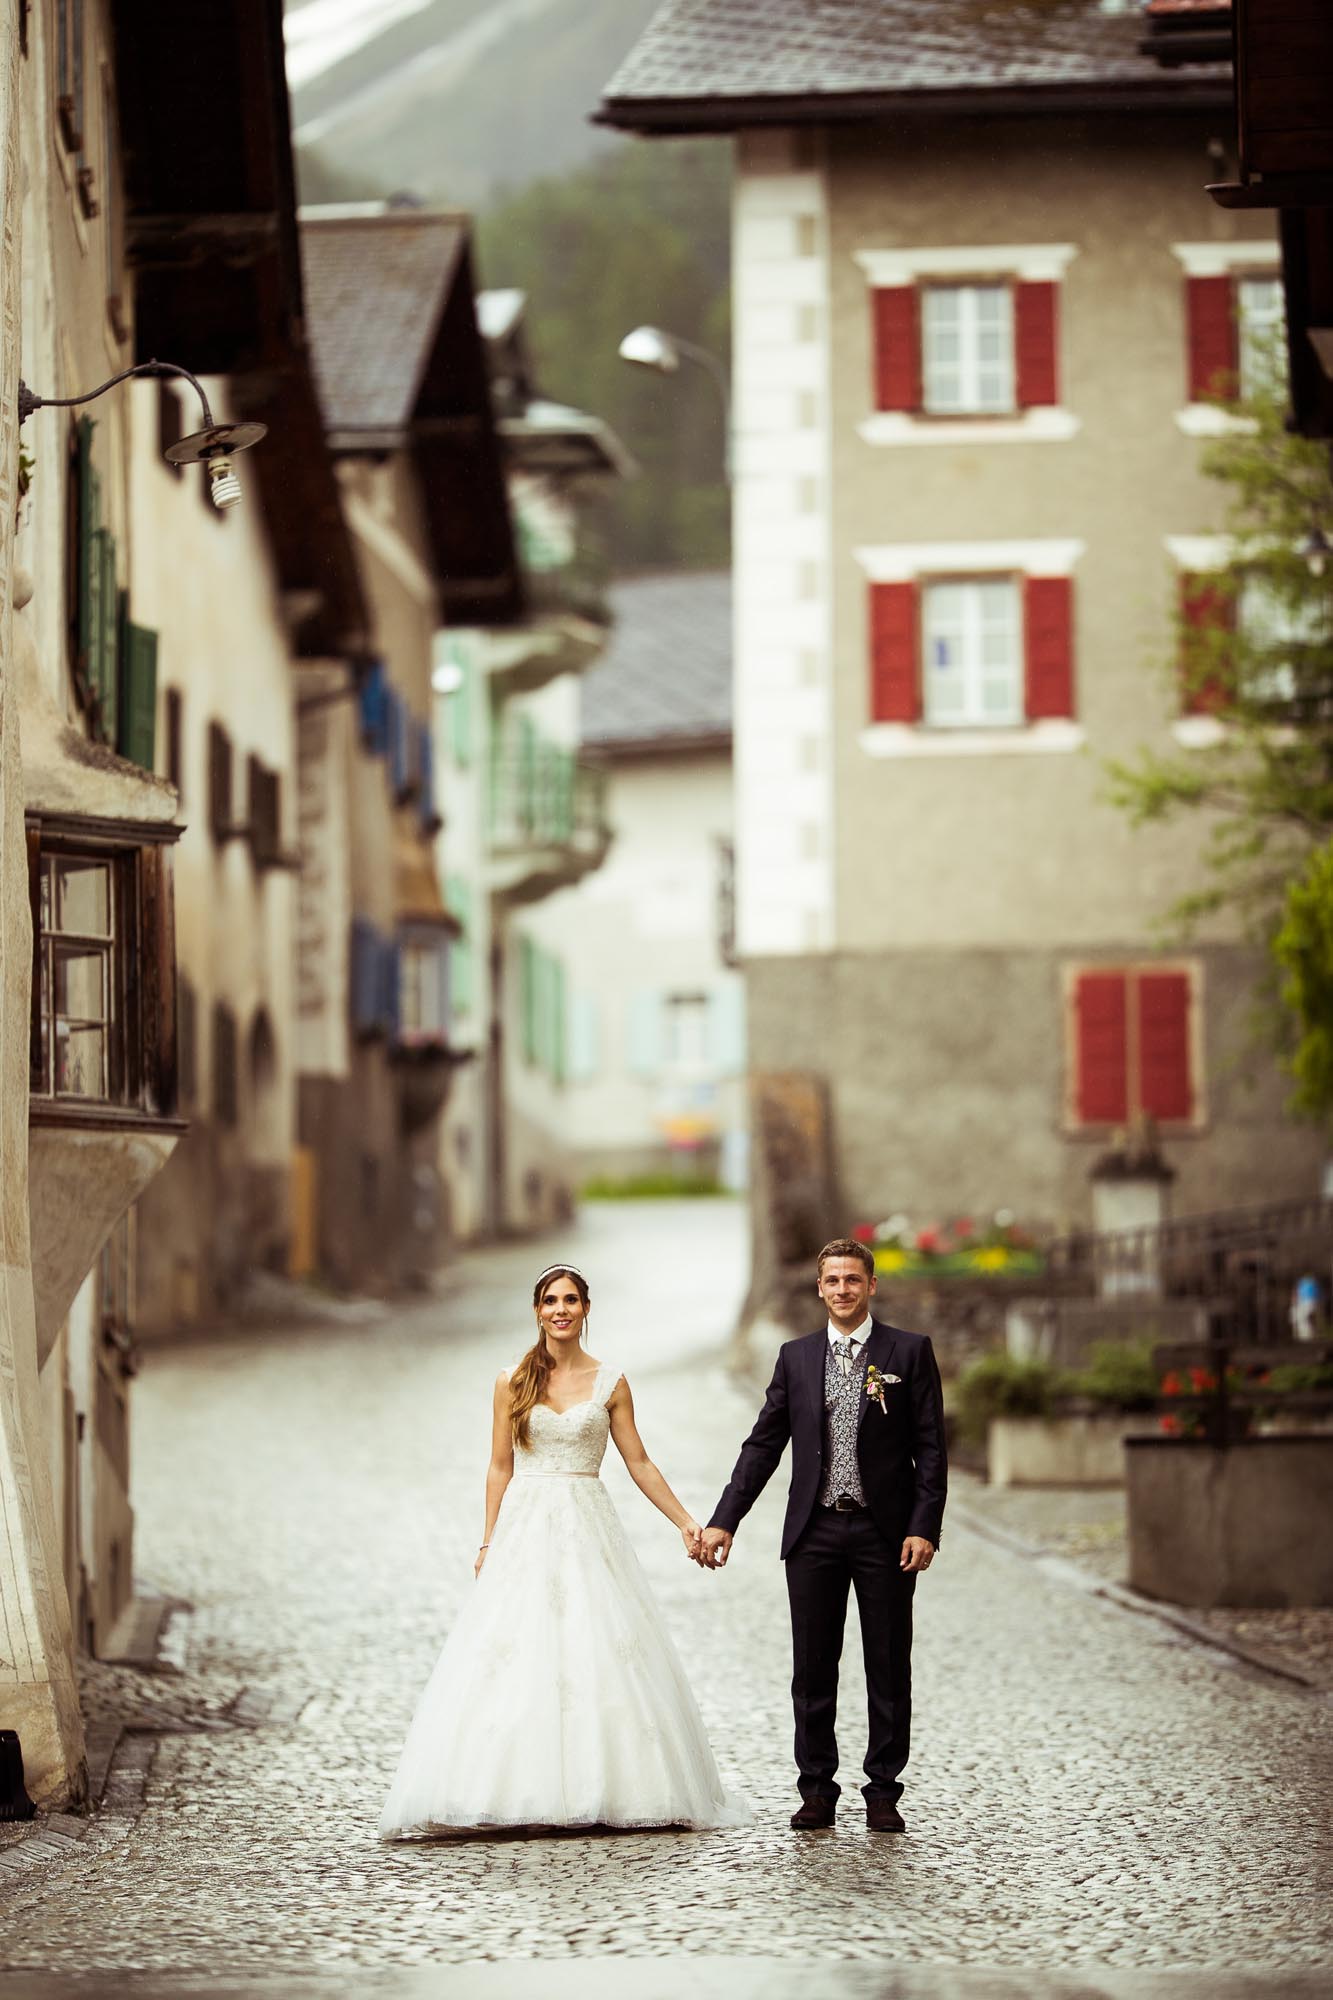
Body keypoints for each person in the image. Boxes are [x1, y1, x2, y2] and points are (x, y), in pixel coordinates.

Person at [379, 1262, 748, 1838]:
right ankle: (506, 1788)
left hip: (587, 1522)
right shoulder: (511, 1380)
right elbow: (499, 1466)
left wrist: (685, 1523)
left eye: (570, 1300)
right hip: (525, 1527)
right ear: (536, 1311)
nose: (560, 1309)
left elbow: (639, 1463)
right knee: (515, 1649)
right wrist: (487, 1540)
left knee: (596, 1645)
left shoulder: (612, 1382)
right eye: (550, 1300)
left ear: (585, 1309)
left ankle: (608, 1787)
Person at [699, 1237, 946, 1834]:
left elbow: (932, 1450)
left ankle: (884, 1791)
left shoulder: (907, 1352)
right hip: (813, 1532)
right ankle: (817, 1790)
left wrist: (923, 1529)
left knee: (888, 1664)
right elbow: (763, 1444)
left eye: (852, 1280)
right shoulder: (796, 1358)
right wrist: (724, 1519)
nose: (842, 1290)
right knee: (812, 1670)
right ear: (819, 1288)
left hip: (884, 1534)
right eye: (832, 1281)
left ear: (871, 1286)